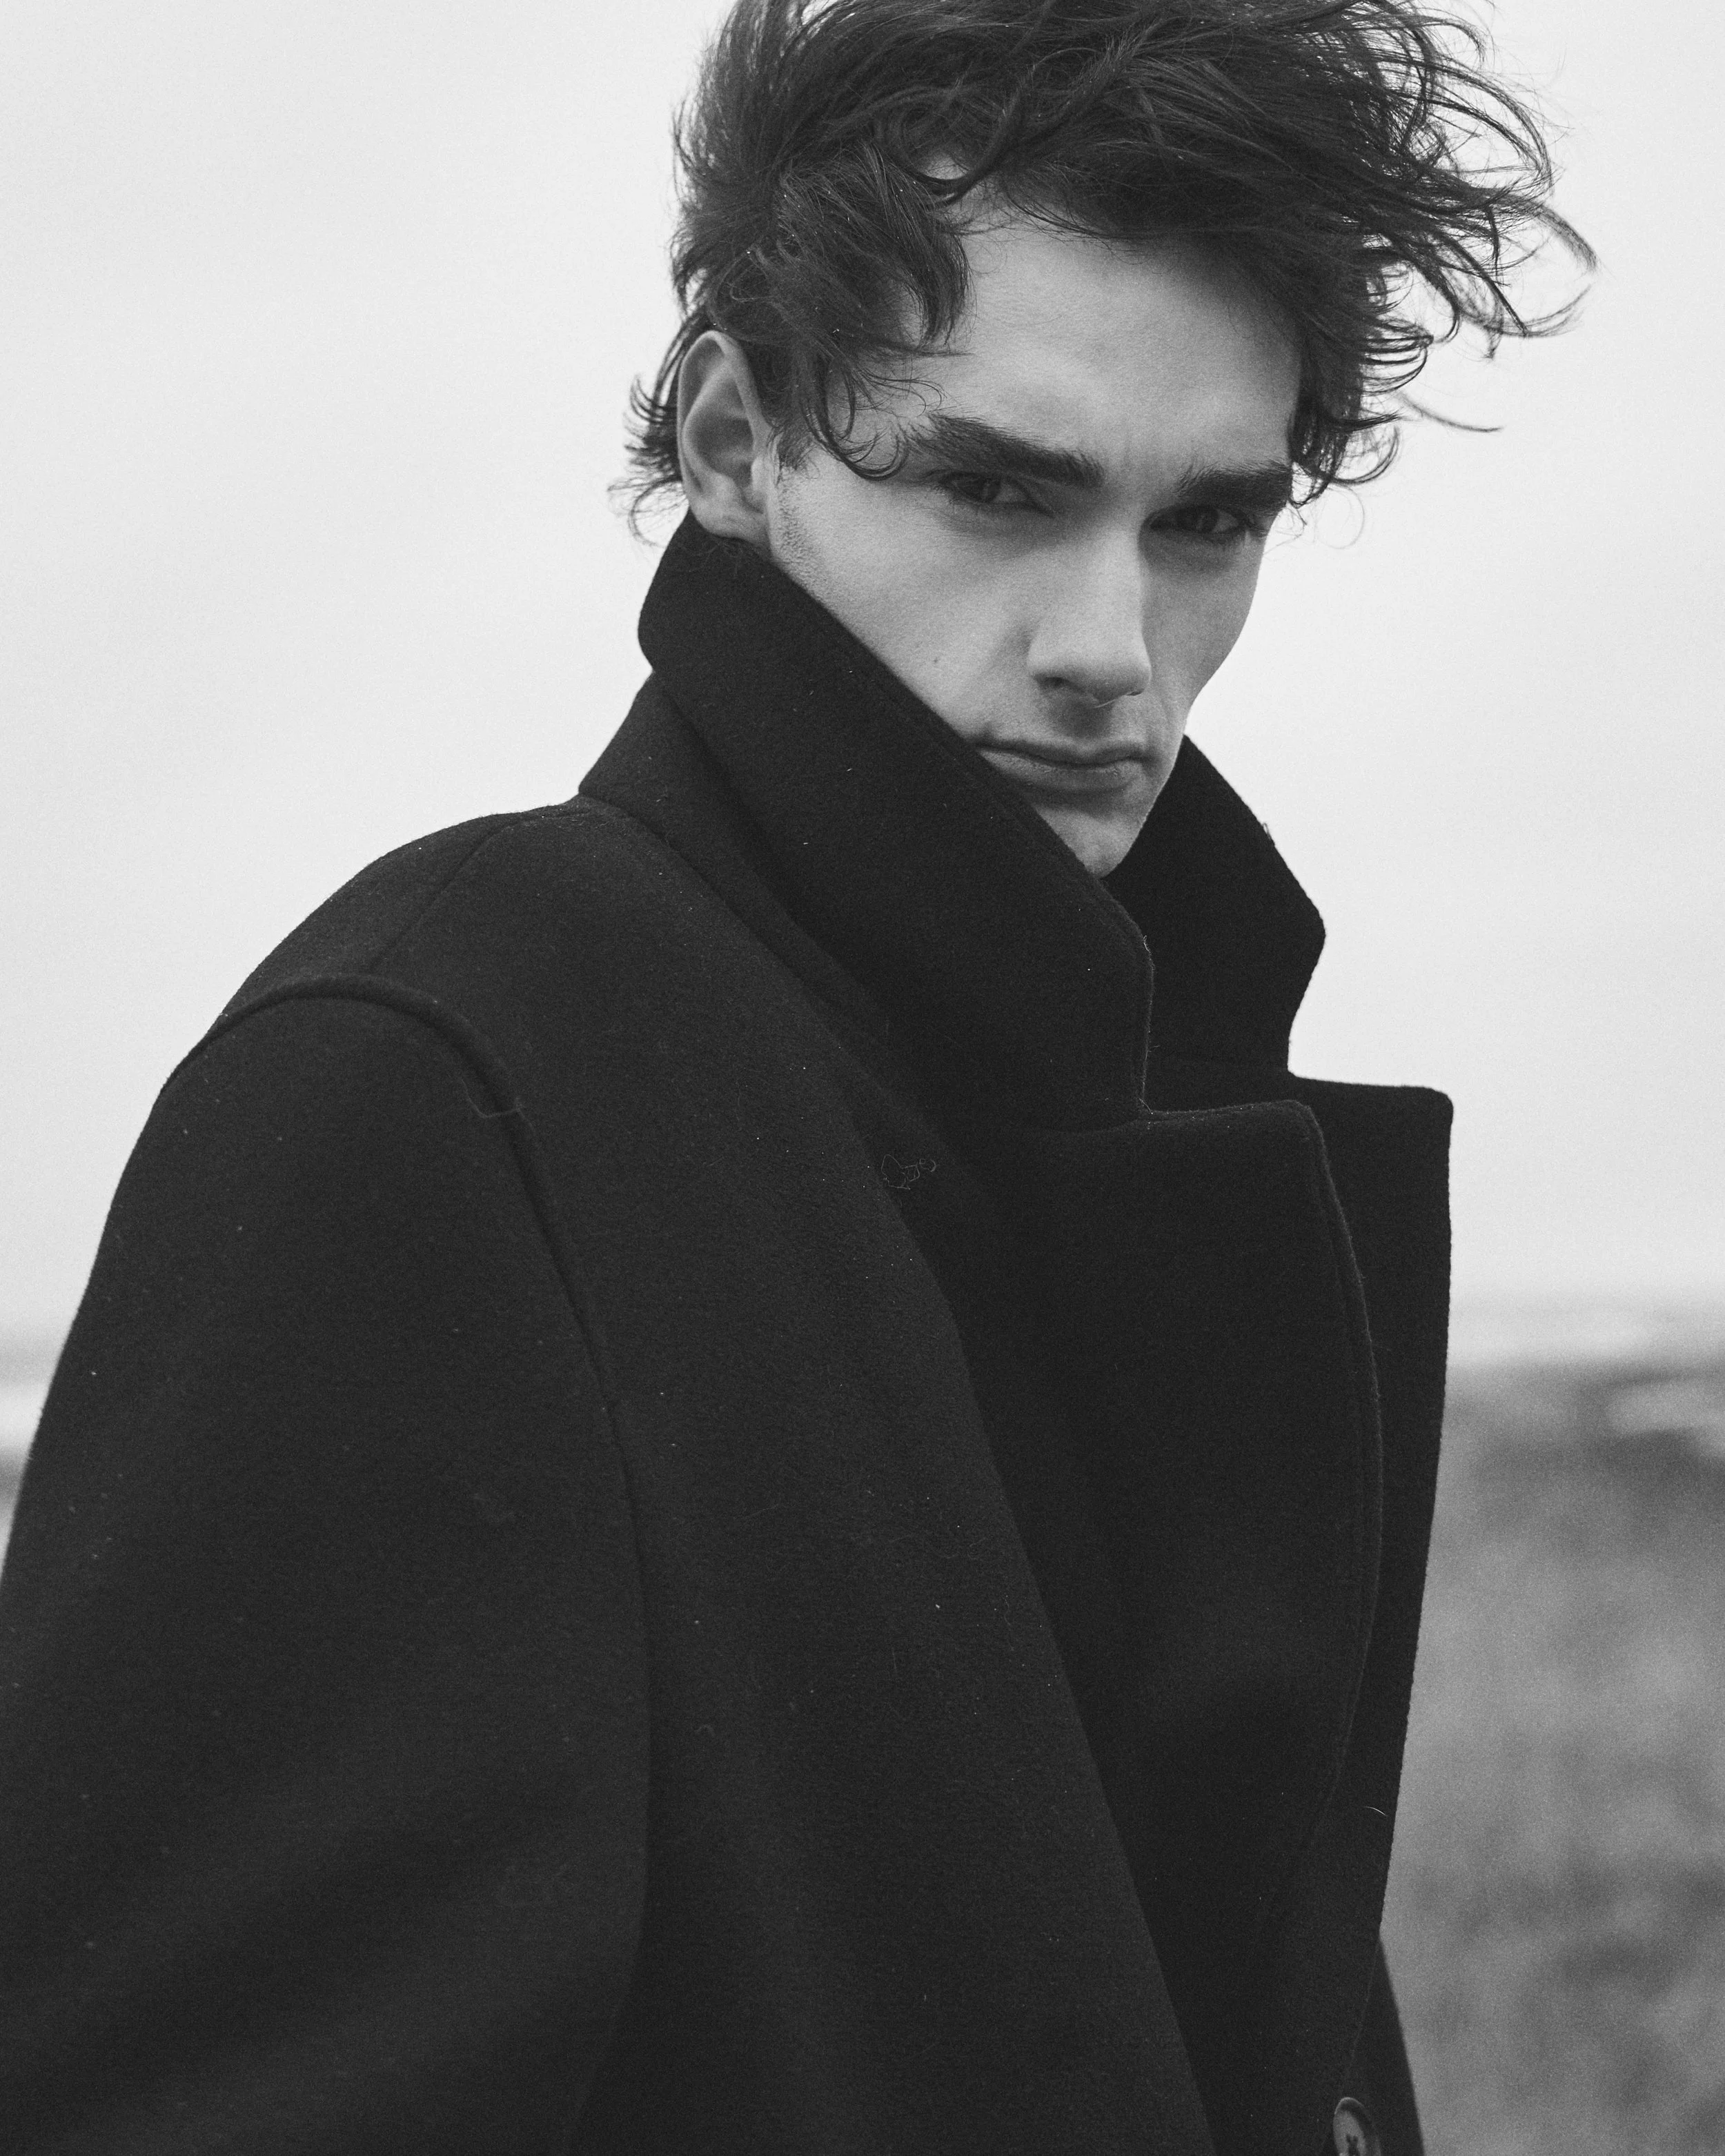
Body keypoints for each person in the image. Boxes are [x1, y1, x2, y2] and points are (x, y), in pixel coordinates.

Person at [0, 2, 1586, 2150]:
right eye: (991, 487)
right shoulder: (443, 1084)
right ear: (743, 445)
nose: (1111, 645)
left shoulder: (1102, 1106)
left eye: (1207, 523)